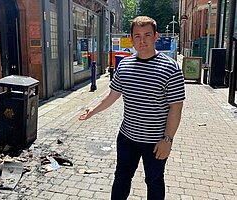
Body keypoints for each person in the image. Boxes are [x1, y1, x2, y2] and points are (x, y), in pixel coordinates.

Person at [79, 16, 185, 200]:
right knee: (121, 177)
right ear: (132, 38)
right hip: (127, 138)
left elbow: (176, 107)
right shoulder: (125, 65)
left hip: (156, 141)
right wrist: (93, 109)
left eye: (147, 35)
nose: (142, 40)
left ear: (156, 36)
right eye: (137, 36)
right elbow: (112, 95)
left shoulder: (171, 68)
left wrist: (167, 140)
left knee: (154, 181)